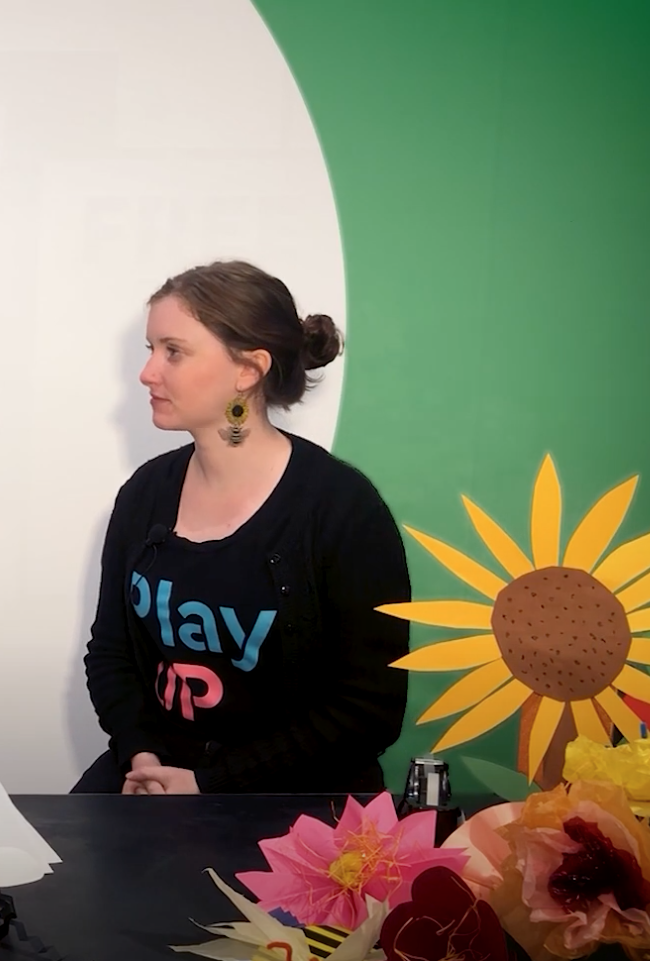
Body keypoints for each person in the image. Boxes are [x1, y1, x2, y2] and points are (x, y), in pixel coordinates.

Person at [75, 260, 410, 795]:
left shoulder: (342, 509)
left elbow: (368, 711)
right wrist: (142, 754)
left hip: (291, 795)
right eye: (151, 349)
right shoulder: (145, 494)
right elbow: (110, 652)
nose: (148, 372)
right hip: (152, 775)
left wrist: (210, 783)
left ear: (248, 370)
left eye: (174, 352)